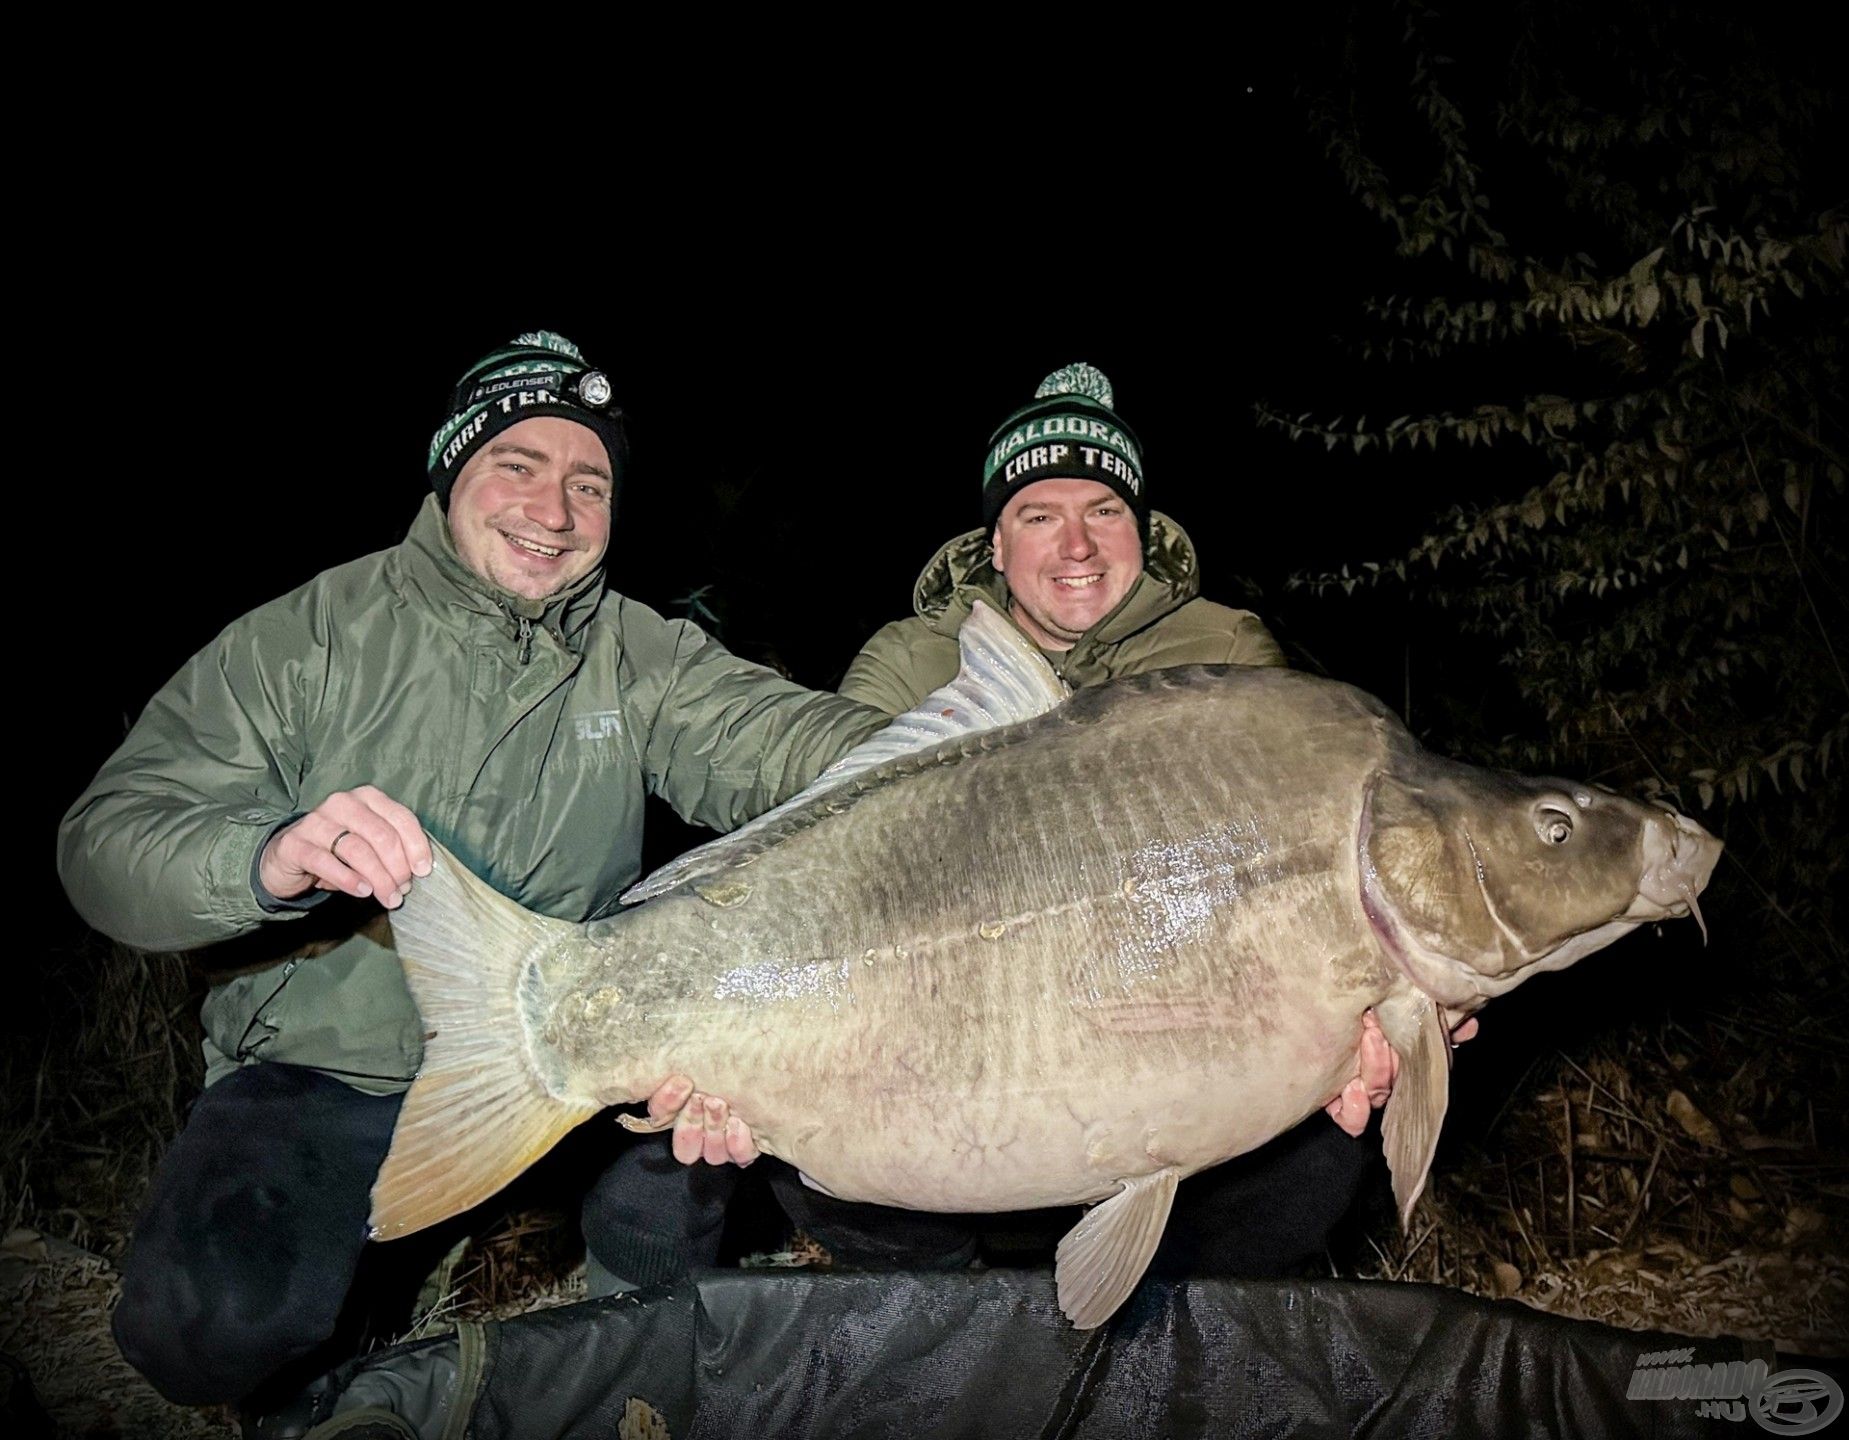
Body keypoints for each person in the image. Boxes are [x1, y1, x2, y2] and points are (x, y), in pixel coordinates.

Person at [55, 332, 888, 1419]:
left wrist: (985, 749)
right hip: (336, 1066)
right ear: (451, 472)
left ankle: (631, 1370)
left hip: (571, 1052)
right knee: (202, 1332)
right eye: (518, 468)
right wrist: (262, 860)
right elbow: (106, 840)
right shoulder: (305, 640)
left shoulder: (640, 653)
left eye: (589, 483)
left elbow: (794, 743)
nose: (553, 512)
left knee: (682, 1172)